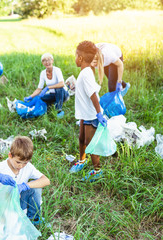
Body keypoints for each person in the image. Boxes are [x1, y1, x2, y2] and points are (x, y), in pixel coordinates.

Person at [0, 136, 50, 225]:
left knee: (36, 188)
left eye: (25, 163)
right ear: (10, 155)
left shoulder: (28, 167)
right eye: (18, 162)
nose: (21, 166)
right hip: (5, 205)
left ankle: (34, 219)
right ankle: (6, 217)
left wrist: (25, 186)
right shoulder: (1, 167)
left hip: (19, 202)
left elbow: (46, 180)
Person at [70, 40, 107, 182]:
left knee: (90, 143)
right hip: (84, 113)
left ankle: (97, 170)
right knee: (81, 139)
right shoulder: (85, 72)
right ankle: (82, 160)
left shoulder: (86, 74)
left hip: (91, 114)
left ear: (80, 58)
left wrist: (98, 113)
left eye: (75, 56)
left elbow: (93, 95)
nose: (75, 59)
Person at [24, 53, 69, 119]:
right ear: (42, 63)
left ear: (52, 61)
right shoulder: (43, 73)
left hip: (63, 95)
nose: (47, 62)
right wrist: (30, 96)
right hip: (53, 95)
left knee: (58, 88)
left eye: (49, 60)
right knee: (40, 97)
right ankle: (49, 106)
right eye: (44, 60)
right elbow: (39, 89)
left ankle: (59, 110)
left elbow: (62, 84)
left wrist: (48, 87)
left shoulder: (57, 70)